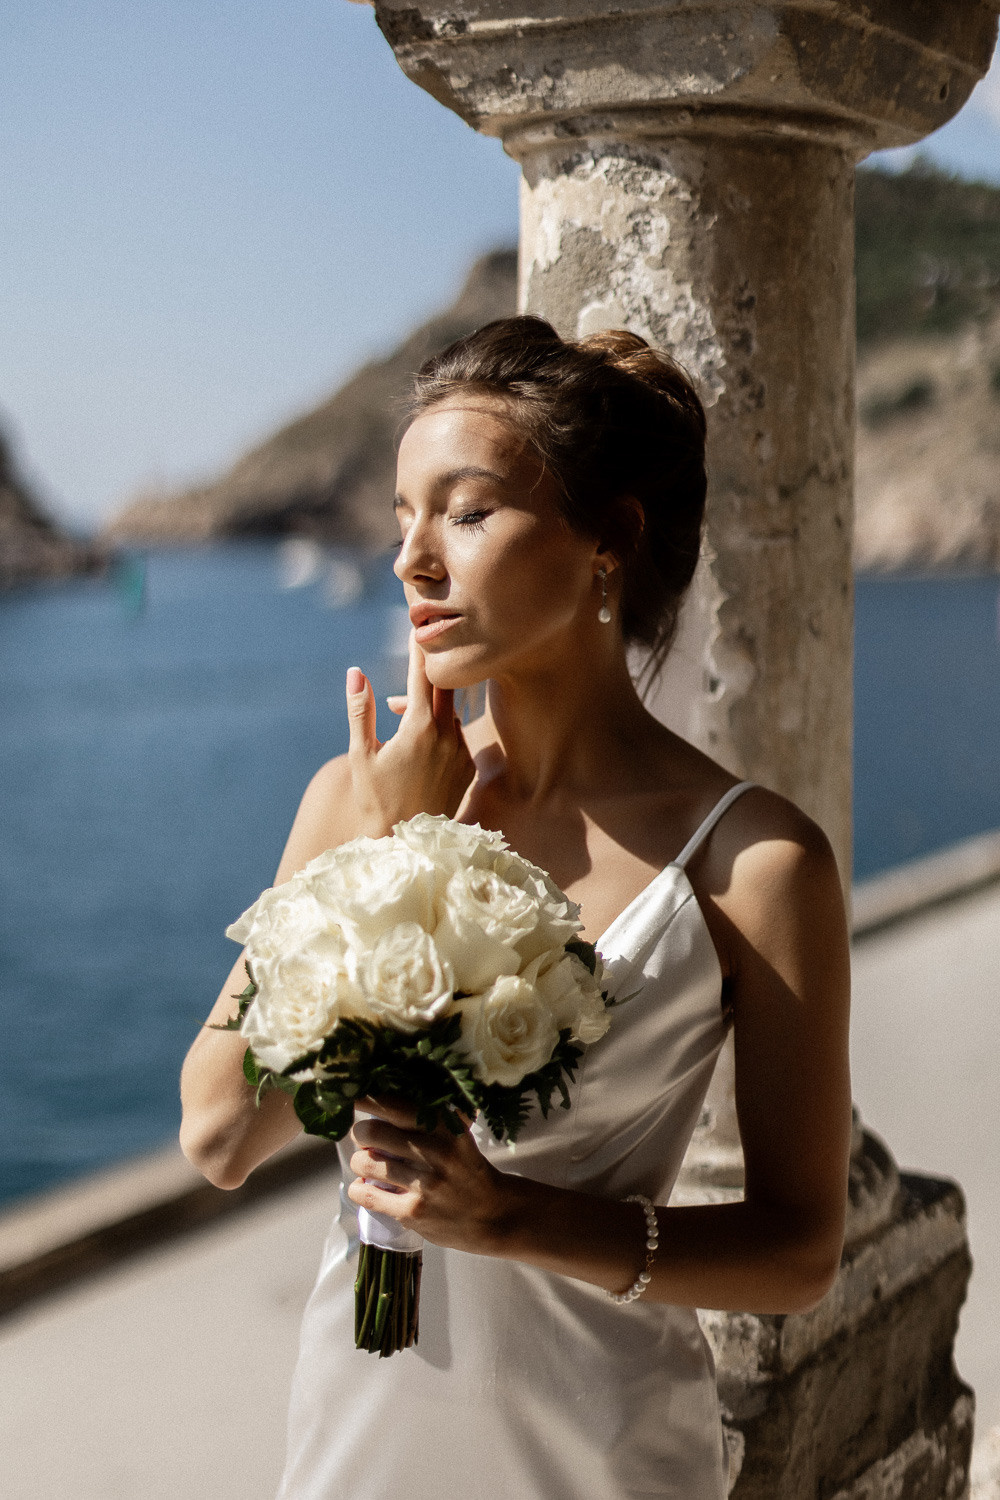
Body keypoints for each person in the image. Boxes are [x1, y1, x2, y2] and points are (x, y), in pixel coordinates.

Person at [179, 316, 852, 1500]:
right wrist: (381, 853)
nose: (412, 559)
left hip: (600, 1447)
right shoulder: (355, 796)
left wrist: (510, 1221)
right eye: (402, 518)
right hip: (362, 1433)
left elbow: (797, 1253)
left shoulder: (751, 863)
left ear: (609, 540)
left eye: (467, 512)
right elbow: (220, 1137)